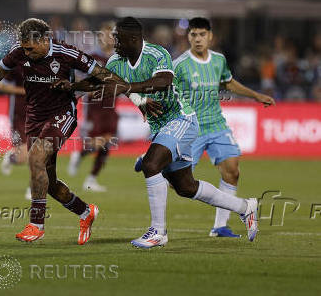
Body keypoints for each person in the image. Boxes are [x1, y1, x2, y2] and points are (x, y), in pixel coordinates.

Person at [54, 17, 260, 248]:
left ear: (133, 39)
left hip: (181, 118)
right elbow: (97, 81)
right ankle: (245, 207)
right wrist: (72, 88)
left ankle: (158, 232)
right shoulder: (116, 61)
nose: (115, 42)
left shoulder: (156, 54)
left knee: (152, 165)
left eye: (118, 38)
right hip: (160, 126)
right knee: (185, 187)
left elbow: (164, 81)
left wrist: (130, 88)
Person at [136, 17, 275, 238]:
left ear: (210, 36)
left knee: (232, 170)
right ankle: (157, 157)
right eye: (193, 35)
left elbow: (228, 82)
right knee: (180, 184)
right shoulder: (179, 64)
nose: (198, 39)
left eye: (202, 34)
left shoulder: (219, 60)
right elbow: (166, 91)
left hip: (216, 124)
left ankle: (220, 226)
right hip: (191, 127)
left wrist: (256, 95)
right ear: (188, 37)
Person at [0, 18, 99, 245]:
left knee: (35, 157)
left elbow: (96, 73)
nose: (25, 52)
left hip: (62, 114)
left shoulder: (65, 53)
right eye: (23, 47)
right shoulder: (20, 51)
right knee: (49, 183)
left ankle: (36, 225)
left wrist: (90, 88)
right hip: (36, 118)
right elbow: (1, 70)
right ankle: (86, 212)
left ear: (44, 39)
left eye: (30, 47)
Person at [68, 21, 118, 192]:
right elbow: (78, 79)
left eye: (112, 35)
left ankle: (91, 180)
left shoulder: (118, 58)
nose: (108, 38)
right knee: (99, 142)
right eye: (105, 35)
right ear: (100, 37)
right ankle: (80, 154)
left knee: (109, 141)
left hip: (111, 106)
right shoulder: (90, 57)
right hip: (94, 107)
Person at [0, 71, 32, 200]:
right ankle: (11, 157)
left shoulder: (48, 63)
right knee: (24, 156)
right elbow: (1, 86)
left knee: (38, 152)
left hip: (41, 113)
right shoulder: (17, 63)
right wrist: (25, 91)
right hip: (20, 115)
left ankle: (33, 188)